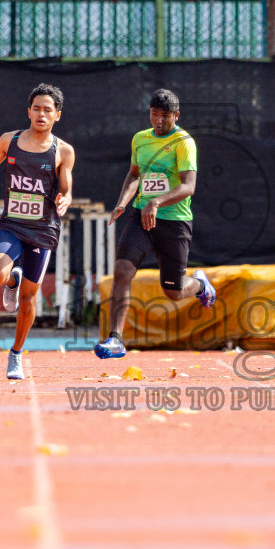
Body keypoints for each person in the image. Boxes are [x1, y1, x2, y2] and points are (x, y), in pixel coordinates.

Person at [94, 88, 215, 359]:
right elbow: (134, 175)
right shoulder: (140, 139)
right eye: (154, 114)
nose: (158, 121)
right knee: (122, 271)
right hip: (141, 216)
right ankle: (116, 340)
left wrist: (157, 201)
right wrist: (123, 202)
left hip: (174, 222)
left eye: (164, 116)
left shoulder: (184, 142)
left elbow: (189, 186)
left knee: (173, 292)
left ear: (176, 116)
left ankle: (200, 284)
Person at [0, 84, 76, 381]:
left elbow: (65, 184)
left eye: (48, 110)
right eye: (37, 108)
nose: (42, 114)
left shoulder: (63, 150)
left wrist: (65, 196)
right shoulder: (9, 141)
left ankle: (15, 354)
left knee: (29, 299)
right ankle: (10, 278)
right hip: (13, 223)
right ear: (28, 111)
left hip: (42, 230)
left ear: (57, 116)